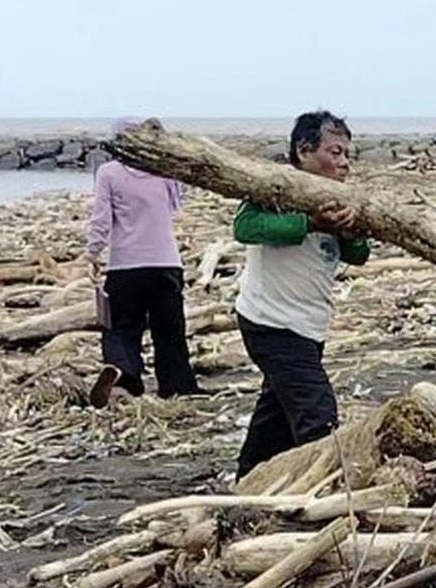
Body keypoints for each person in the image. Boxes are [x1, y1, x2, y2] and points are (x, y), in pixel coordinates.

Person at [233, 110, 370, 479]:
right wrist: (309, 223)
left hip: (309, 325)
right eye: (335, 152)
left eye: (347, 156)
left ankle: (248, 479)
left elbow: (359, 255)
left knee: (276, 413)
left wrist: (349, 231)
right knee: (316, 412)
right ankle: (323, 485)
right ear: (304, 151)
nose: (343, 164)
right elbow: (245, 227)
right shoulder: (277, 186)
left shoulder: (341, 198)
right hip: (269, 319)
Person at [86, 118, 204, 408]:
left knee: (122, 328)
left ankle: (125, 375)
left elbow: (102, 220)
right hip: (165, 262)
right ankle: (177, 385)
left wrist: (91, 253)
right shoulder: (163, 172)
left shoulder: (108, 173)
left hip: (125, 264)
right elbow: (178, 201)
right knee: (170, 329)